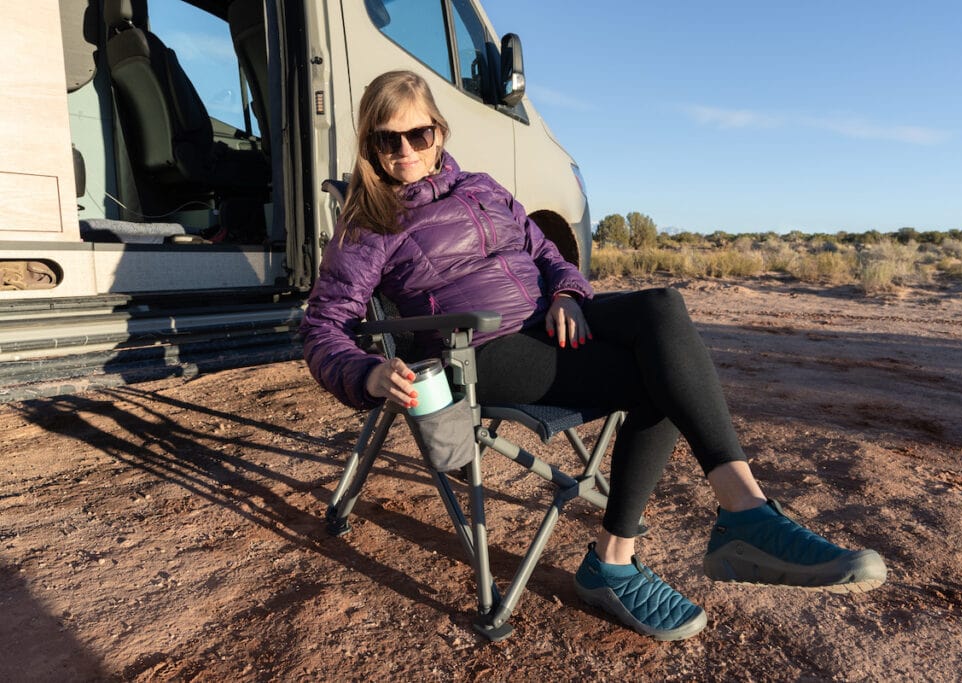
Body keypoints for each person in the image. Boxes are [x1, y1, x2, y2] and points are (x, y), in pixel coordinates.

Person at [301, 70, 887, 642]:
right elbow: (323, 327)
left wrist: (567, 293)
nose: (404, 150)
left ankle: (743, 510)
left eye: (417, 135)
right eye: (387, 139)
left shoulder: (483, 188)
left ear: (439, 133)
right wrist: (368, 371)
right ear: (369, 144)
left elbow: (547, 253)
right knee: (656, 378)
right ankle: (627, 557)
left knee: (661, 306)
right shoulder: (369, 222)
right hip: (482, 350)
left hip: (548, 322)